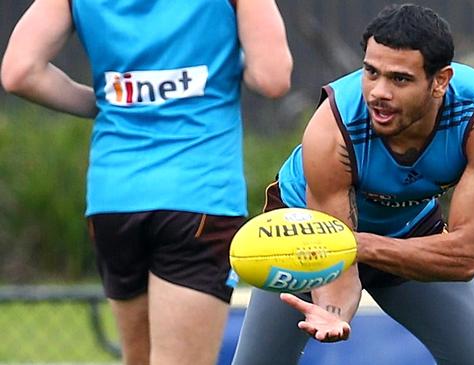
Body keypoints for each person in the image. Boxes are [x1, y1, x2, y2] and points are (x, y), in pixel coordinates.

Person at [1, 0, 292, 364]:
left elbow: (20, 71)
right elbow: (272, 77)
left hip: (114, 198)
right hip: (198, 198)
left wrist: (103, 104)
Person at [231, 3, 474, 365]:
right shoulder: (332, 130)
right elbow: (335, 250)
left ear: (440, 81)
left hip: (407, 229)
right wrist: (334, 311)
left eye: (400, 79)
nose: (378, 92)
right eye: (371, 72)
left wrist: (358, 246)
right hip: (306, 235)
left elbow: (466, 255)